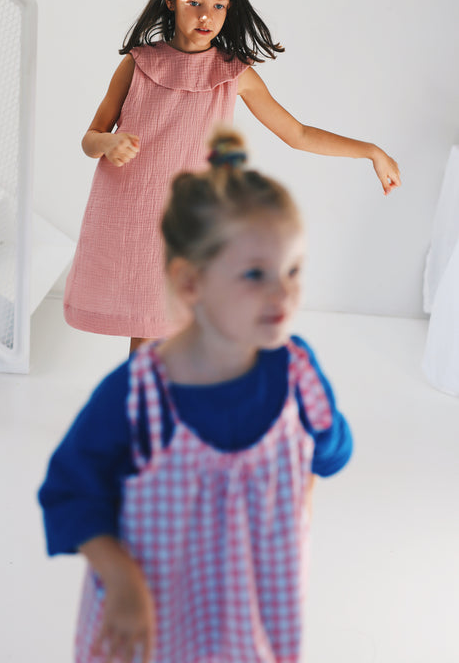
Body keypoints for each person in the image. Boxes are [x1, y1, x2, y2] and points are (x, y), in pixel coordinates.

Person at [40, 128, 353, 663]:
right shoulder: (138, 393)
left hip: (252, 609)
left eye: (293, 270)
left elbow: (330, 451)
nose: (284, 294)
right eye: (255, 275)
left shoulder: (297, 373)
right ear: (190, 283)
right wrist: (121, 582)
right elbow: (70, 493)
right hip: (149, 613)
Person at [64, 0, 401, 354]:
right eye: (194, 3)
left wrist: (370, 151)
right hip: (134, 214)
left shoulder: (233, 74)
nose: (206, 16)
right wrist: (107, 142)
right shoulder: (138, 64)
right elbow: (90, 137)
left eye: (219, 6)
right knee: (151, 329)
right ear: (171, 0)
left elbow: (297, 134)